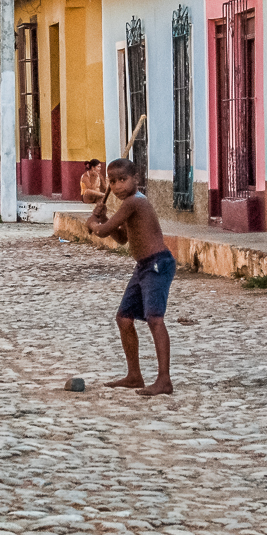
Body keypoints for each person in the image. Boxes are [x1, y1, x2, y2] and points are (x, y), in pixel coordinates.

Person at [86, 158, 176, 397]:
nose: (117, 187)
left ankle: (164, 380)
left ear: (136, 178)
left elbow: (103, 233)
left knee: (155, 319)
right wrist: (103, 220)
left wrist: (94, 223)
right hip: (143, 266)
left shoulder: (134, 202)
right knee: (124, 318)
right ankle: (134, 375)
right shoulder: (128, 205)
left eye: (122, 180)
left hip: (157, 264)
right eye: (112, 181)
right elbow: (122, 238)